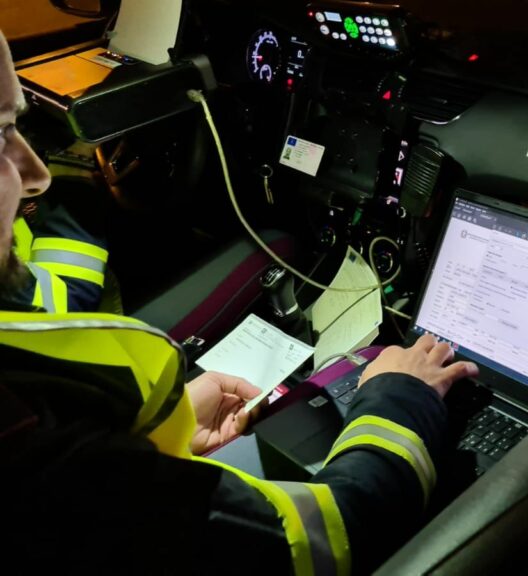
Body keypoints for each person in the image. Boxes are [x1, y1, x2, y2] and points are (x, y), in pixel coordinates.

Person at [0, 31, 478, 575]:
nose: (37, 177)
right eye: (0, 136)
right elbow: (338, 533)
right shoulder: (34, 449)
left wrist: (164, 433)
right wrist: (399, 396)